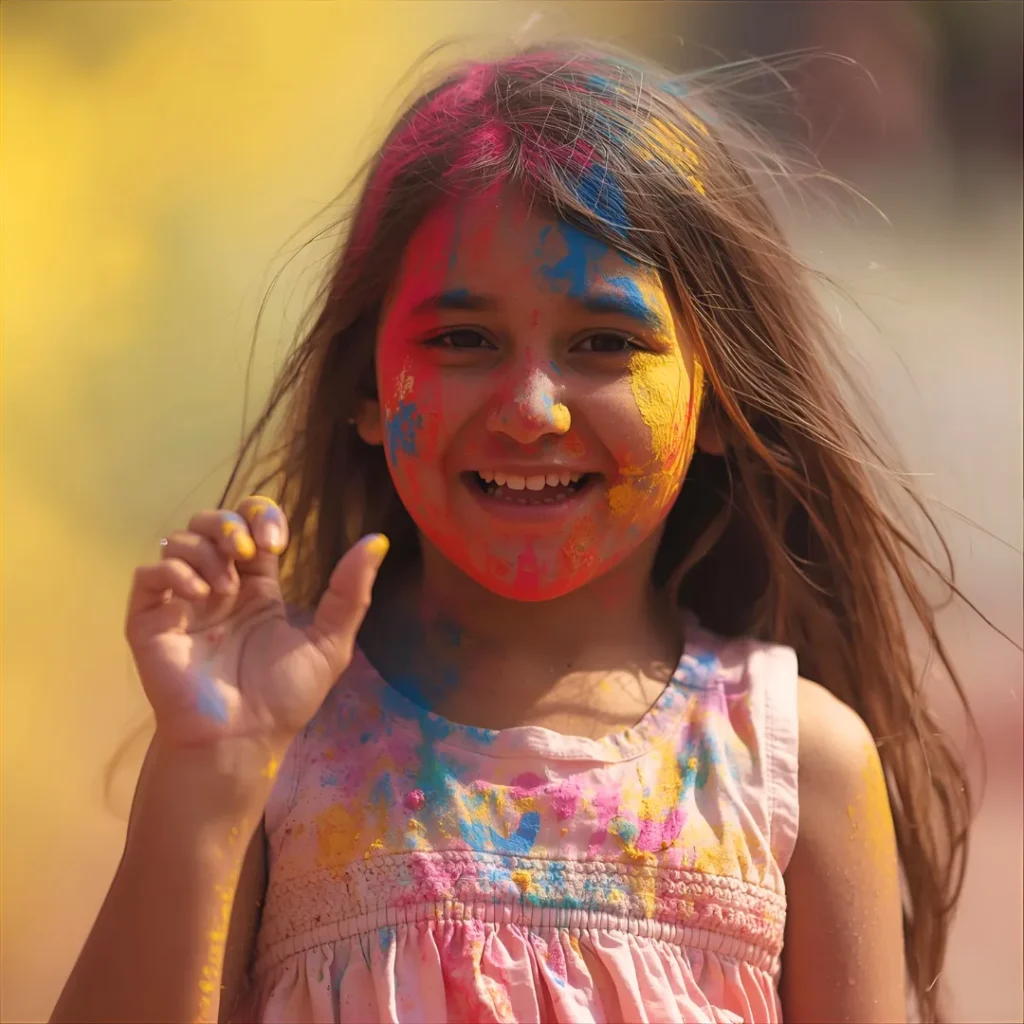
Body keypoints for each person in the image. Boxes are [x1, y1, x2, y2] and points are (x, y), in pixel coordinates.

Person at [51, 42, 973, 1024]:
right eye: (462, 340)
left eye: (605, 342)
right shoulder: (274, 749)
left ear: (718, 398)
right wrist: (210, 773)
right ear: (367, 390)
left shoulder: (793, 767)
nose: (531, 409)